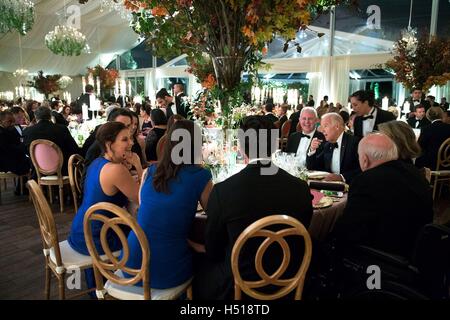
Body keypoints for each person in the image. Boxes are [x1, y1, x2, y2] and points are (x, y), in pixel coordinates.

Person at [192, 115, 313, 300]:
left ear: (240, 148)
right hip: (288, 279)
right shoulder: (300, 188)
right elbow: (302, 234)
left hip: (238, 287)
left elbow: (213, 249)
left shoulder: (223, 191)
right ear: (274, 146)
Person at [124, 120, 212, 289]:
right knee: (206, 259)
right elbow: (214, 214)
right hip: (164, 271)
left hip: (131, 263)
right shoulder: (200, 176)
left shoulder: (149, 171)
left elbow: (148, 214)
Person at [332, 133, 433, 258]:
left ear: (364, 160)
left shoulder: (366, 181)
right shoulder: (415, 173)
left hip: (382, 257)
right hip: (419, 249)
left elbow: (348, 230)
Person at [68, 122, 142, 291]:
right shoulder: (116, 170)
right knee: (145, 236)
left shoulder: (97, 162)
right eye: (125, 139)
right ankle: (129, 285)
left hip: (80, 230)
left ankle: (99, 285)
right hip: (98, 238)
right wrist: (137, 166)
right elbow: (142, 199)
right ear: (109, 144)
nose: (131, 143)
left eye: (130, 138)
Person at [22, 106, 79, 175]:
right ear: (50, 116)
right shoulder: (61, 129)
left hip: (38, 171)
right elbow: (74, 148)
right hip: (62, 170)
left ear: (36, 117)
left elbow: (27, 151)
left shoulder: (27, 131)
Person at [306, 113, 361, 183]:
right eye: (322, 127)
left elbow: (362, 169)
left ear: (337, 126)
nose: (322, 131)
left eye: (325, 126)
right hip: (330, 187)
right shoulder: (327, 146)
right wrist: (312, 150)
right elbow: (313, 167)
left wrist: (341, 177)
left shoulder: (355, 143)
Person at [0, 111, 30, 181]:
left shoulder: (8, 130)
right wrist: (23, 147)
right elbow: (9, 149)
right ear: (1, 121)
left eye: (13, 121)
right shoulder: (1, 133)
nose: (12, 124)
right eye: (9, 121)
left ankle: (22, 188)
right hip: (5, 162)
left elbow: (17, 143)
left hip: (12, 158)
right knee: (32, 164)